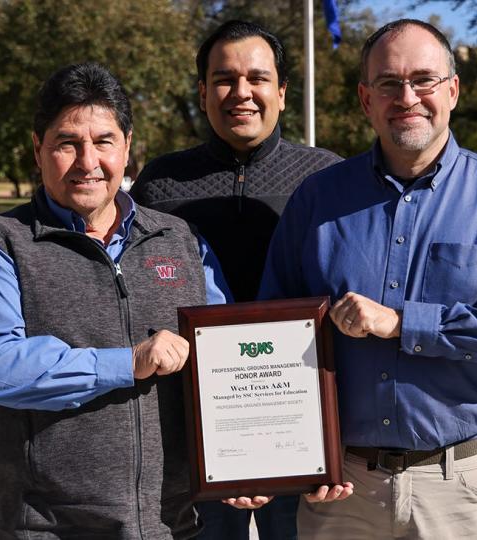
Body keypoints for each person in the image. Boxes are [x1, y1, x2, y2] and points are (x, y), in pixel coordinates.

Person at [259, 19, 477, 539]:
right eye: (388, 83)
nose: (407, 97)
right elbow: (274, 332)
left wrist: (404, 323)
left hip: (460, 487)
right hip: (343, 489)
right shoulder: (317, 201)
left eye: (424, 80)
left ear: (452, 90)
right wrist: (294, 451)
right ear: (366, 99)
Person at [0, 62, 230, 539]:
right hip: (47, 529)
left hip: (171, 525)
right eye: (67, 143)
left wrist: (250, 458)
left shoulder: (181, 240)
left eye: (103, 141)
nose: (87, 162)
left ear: (127, 146)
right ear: (38, 148)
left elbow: (225, 358)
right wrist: (128, 362)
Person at [130, 20, 341, 540]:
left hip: (300, 434)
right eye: (224, 79)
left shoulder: (327, 180)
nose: (241, 92)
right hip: (195, 440)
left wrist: (331, 443)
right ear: (203, 93)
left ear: (283, 92)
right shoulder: (159, 184)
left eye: (257, 78)